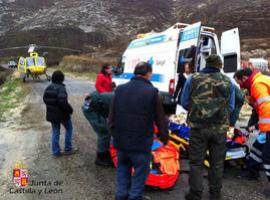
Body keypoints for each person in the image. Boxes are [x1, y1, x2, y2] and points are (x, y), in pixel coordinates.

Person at [109, 62, 169, 200]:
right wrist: (164, 137)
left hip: (121, 141)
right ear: (148, 74)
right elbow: (161, 118)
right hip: (140, 143)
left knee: (123, 169)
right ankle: (134, 197)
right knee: (141, 172)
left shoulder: (120, 89)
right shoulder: (152, 92)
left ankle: (121, 196)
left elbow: (111, 116)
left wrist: (114, 134)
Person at [181, 55, 235, 200]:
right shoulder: (227, 81)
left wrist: (199, 112)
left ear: (206, 64)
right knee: (217, 163)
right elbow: (231, 106)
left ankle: (195, 194)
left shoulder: (193, 78)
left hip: (198, 128)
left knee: (196, 162)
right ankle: (215, 194)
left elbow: (184, 101)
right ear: (220, 65)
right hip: (219, 129)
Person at [234, 68, 270, 197]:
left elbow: (266, 108)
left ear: (244, 78)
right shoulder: (256, 84)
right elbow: (257, 110)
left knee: (267, 158)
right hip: (267, 126)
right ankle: (252, 171)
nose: (240, 86)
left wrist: (262, 128)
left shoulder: (257, 84)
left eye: (239, 82)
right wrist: (252, 125)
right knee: (256, 149)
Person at [43, 70, 77, 157]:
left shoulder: (48, 87)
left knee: (55, 132)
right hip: (62, 115)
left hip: (52, 115)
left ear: (53, 78)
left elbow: (45, 99)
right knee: (69, 128)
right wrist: (70, 110)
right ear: (61, 78)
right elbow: (62, 102)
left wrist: (52, 106)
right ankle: (68, 149)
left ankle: (56, 152)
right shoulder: (61, 88)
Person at [82, 91, 114, 166]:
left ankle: (106, 153)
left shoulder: (122, 96)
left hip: (95, 106)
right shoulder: (121, 99)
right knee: (104, 132)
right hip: (91, 108)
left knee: (108, 130)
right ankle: (100, 158)